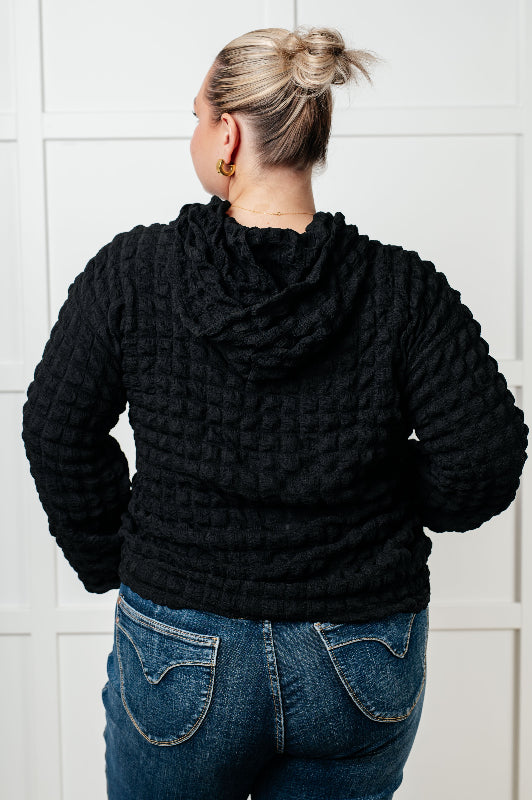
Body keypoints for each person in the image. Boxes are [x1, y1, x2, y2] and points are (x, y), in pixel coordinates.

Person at [21, 25, 528, 800]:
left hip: (180, 645)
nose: (193, 133)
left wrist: (114, 559)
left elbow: (58, 430)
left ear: (227, 135)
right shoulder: (402, 289)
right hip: (361, 651)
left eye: (197, 116)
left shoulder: (134, 274)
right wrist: (381, 496)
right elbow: (484, 457)